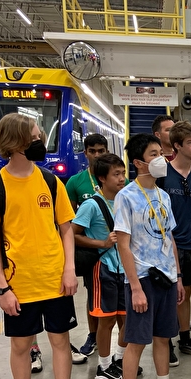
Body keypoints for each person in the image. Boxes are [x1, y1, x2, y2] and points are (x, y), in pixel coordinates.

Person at [0, 112, 78, 379]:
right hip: (18, 283)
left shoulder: (50, 181)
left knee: (60, 341)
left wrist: (69, 269)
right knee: (21, 345)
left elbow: (66, 230)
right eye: (35, 135)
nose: (40, 140)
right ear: (17, 142)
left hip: (54, 280)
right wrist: (2, 289)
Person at [114, 133, 191, 379]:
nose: (161, 158)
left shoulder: (163, 195)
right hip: (142, 279)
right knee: (137, 340)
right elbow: (123, 244)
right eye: (153, 153)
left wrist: (179, 277)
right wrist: (134, 286)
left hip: (166, 278)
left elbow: (169, 237)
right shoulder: (126, 196)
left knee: (163, 338)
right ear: (138, 162)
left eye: (162, 152)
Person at [73, 153, 128, 379]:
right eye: (116, 174)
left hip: (125, 269)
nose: (122, 178)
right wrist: (101, 243)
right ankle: (103, 367)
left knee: (126, 319)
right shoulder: (91, 205)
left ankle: (120, 359)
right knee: (106, 320)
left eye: (123, 173)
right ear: (102, 178)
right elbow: (72, 234)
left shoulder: (125, 201)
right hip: (102, 268)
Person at [157, 121, 191, 363]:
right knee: (168, 295)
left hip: (190, 245)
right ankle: (165, 341)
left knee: (185, 294)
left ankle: (185, 337)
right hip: (166, 246)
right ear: (177, 146)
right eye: (190, 142)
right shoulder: (162, 175)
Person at [65, 133, 109, 357]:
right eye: (92, 151)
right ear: (86, 154)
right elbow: (68, 222)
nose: (97, 155)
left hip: (115, 252)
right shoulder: (75, 182)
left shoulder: (120, 180)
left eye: (101, 151)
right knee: (94, 296)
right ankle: (93, 335)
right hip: (91, 251)